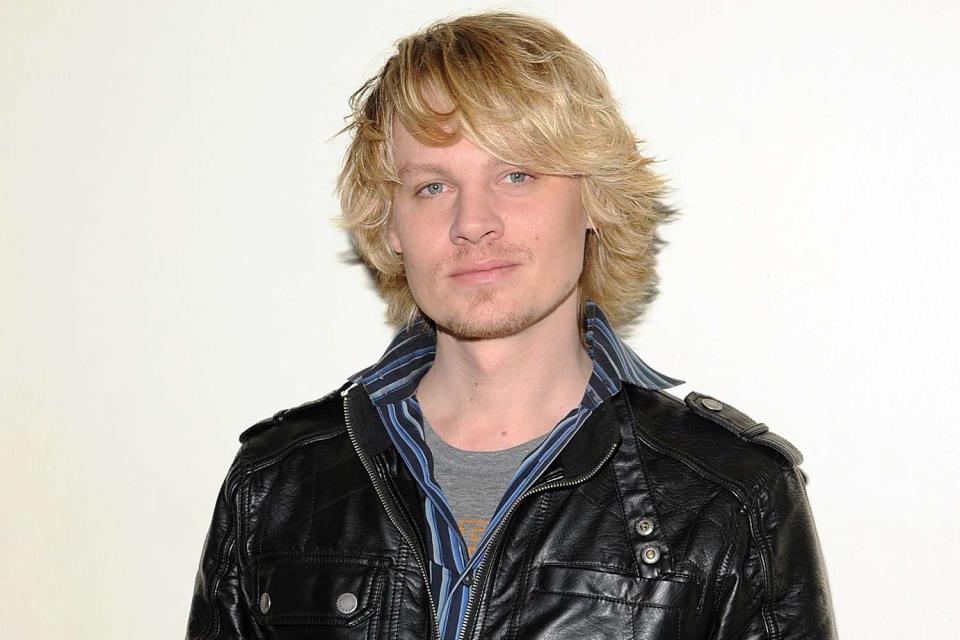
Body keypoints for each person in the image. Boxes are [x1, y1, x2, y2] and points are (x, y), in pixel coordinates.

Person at [186, 12, 836, 640]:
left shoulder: (731, 498)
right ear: (390, 225)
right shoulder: (273, 485)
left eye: (517, 174)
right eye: (432, 187)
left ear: (595, 200)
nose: (473, 221)